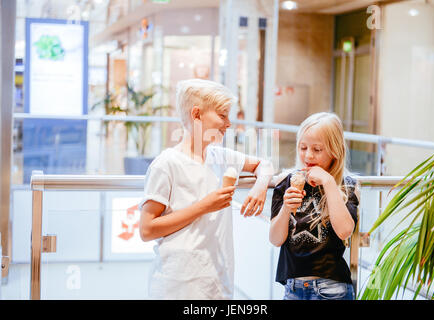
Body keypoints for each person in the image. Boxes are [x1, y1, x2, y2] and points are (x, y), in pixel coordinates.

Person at [139, 78, 274, 299]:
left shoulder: (220, 157)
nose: (228, 123)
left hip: (217, 282)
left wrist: (260, 186)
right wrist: (204, 207)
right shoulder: (166, 164)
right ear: (196, 114)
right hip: (178, 285)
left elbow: (264, 165)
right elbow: (147, 230)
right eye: (222, 115)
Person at [269, 112, 360, 300]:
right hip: (293, 288)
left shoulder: (347, 185)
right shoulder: (286, 182)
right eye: (303, 147)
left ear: (335, 151)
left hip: (332, 289)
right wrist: (286, 207)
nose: (308, 155)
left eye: (317, 149)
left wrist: (328, 182)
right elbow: (276, 239)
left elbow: (344, 231)